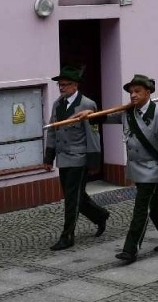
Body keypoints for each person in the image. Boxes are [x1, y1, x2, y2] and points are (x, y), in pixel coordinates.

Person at [114, 74, 158, 265]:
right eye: (131, 92)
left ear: (148, 92)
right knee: (156, 206)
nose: (133, 95)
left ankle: (130, 249)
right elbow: (106, 118)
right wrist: (88, 115)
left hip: (153, 168)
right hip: (138, 167)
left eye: (137, 91)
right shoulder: (129, 113)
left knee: (141, 208)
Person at [44, 65, 109, 250]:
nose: (61, 87)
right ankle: (100, 215)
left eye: (65, 85)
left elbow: (93, 134)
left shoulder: (86, 105)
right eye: (60, 85)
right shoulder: (58, 104)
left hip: (79, 158)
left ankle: (67, 236)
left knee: (72, 198)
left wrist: (94, 161)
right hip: (63, 158)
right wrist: (49, 157)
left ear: (75, 86)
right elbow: (52, 130)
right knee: (75, 195)